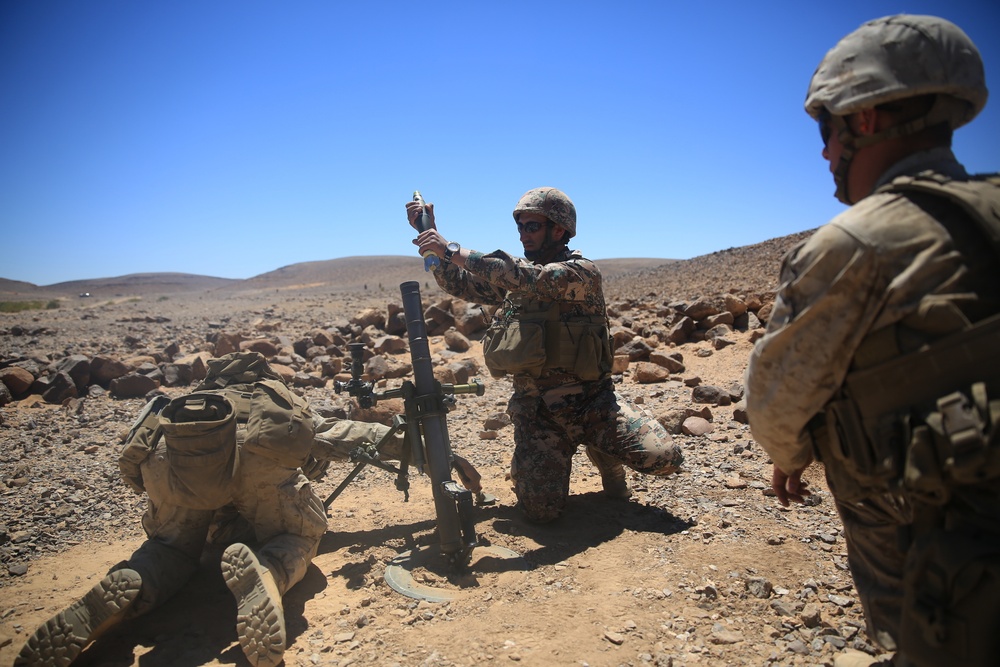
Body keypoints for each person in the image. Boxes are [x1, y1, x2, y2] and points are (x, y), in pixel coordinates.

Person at [745, 14, 1000, 667]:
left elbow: (776, 405)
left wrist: (795, 452)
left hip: (940, 545)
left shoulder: (852, 244)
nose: (824, 152)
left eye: (827, 129)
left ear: (866, 121)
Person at [13, 351, 428, 667]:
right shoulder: (272, 401)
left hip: (175, 459)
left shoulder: (196, 401)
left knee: (170, 550)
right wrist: (424, 451)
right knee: (297, 535)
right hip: (259, 458)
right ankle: (269, 572)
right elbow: (344, 434)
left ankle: (133, 583)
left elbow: (136, 468)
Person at [405, 187, 683, 523]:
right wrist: (425, 233)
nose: (523, 234)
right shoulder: (514, 279)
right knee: (540, 512)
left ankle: (606, 457)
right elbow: (460, 284)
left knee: (665, 458)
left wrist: (449, 248)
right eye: (520, 226)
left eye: (532, 226)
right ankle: (539, 463)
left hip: (595, 404)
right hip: (539, 411)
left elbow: (528, 277)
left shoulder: (580, 273)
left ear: (559, 229)